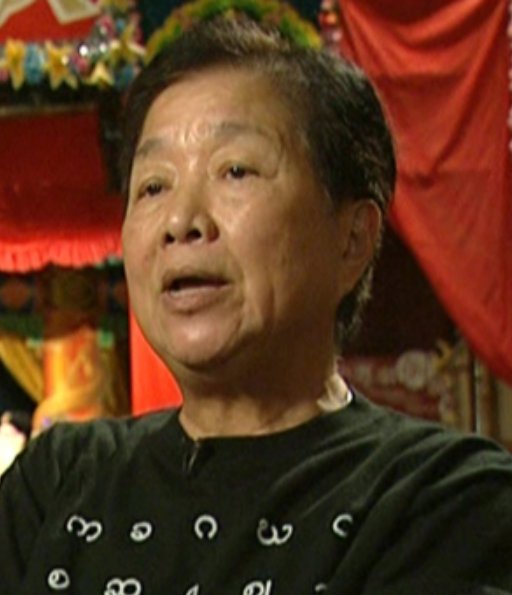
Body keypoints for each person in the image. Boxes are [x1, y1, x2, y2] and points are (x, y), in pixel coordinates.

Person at [1, 16, 512, 595]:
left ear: (352, 239)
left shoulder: (441, 499)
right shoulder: (59, 481)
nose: (180, 221)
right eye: (153, 186)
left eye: (235, 171)